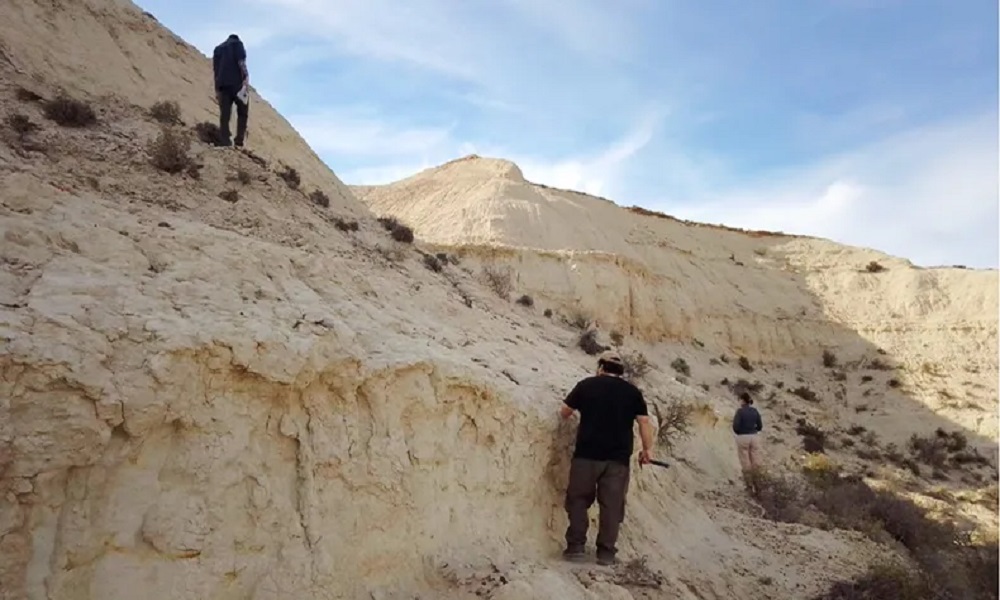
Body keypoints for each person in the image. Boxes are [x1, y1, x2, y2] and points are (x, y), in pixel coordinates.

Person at [559, 350, 654, 566]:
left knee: (578, 500)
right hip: (617, 460)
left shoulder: (586, 385)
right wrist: (648, 449)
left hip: (586, 455)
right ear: (620, 372)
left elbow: (564, 411)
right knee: (612, 506)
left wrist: (575, 414)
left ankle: (575, 548)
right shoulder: (633, 393)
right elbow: (644, 423)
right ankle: (606, 554)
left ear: (601, 367)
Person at [212, 34, 249, 147]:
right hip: (237, 84)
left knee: (225, 114)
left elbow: (215, 70)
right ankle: (239, 140)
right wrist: (246, 77)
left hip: (222, 85)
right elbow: (241, 62)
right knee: (243, 112)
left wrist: (217, 89)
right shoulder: (237, 45)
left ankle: (225, 140)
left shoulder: (218, 49)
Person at [732, 391, 763, 491]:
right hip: (754, 437)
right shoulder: (755, 411)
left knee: (745, 462)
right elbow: (760, 426)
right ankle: (758, 483)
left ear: (742, 400)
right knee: (756, 460)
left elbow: (735, 426)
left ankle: (749, 486)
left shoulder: (740, 412)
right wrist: (754, 430)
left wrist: (740, 432)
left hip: (743, 437)